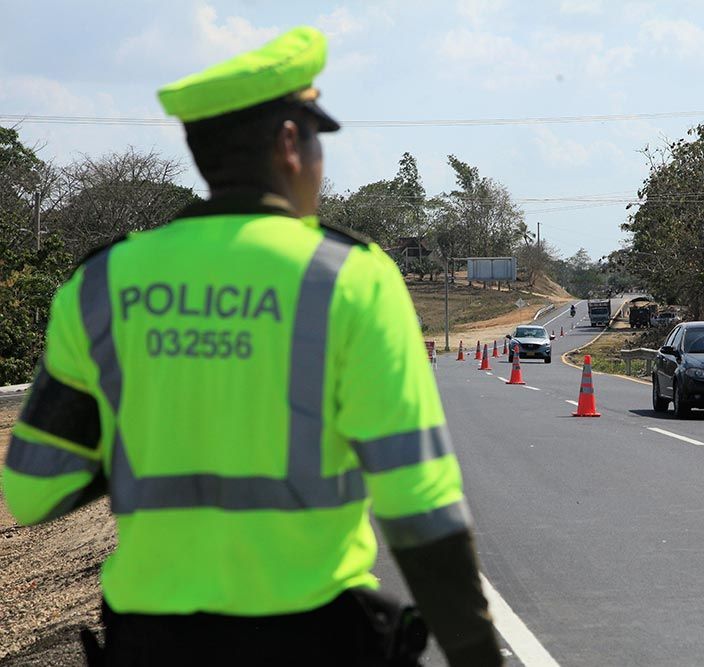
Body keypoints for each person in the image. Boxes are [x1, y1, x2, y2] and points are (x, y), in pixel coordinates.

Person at [2, 27, 501, 667]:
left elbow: (34, 491)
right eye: (320, 140)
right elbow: (419, 506)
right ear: (290, 143)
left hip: (150, 646)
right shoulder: (348, 278)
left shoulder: (102, 284)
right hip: (315, 642)